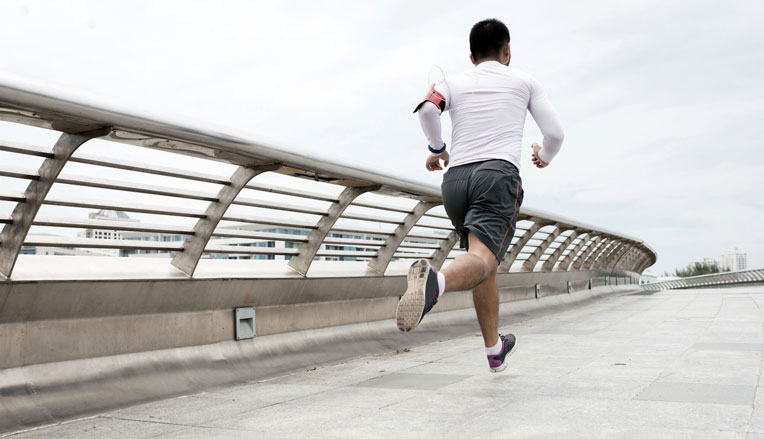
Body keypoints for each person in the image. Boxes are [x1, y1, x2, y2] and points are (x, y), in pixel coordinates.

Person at [396, 18, 564, 373]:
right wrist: (543, 156)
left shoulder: (452, 82)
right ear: (507, 51)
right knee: (484, 261)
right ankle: (435, 282)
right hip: (496, 175)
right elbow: (555, 133)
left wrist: (438, 148)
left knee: (482, 263)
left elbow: (427, 109)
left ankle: (494, 349)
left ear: (471, 57)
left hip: (455, 181)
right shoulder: (524, 81)